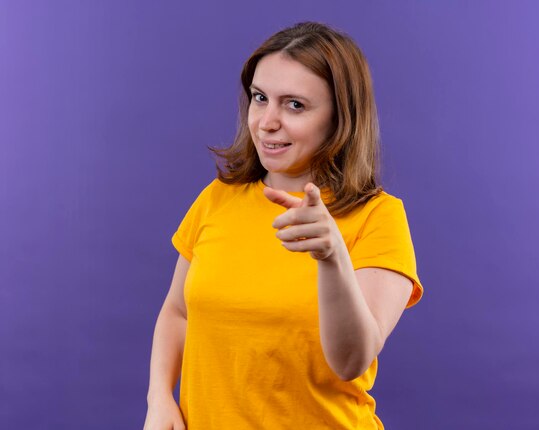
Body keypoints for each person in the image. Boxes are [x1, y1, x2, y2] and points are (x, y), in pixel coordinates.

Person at [144, 21, 423, 429]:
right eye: (260, 98)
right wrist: (159, 399)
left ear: (340, 117)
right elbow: (178, 312)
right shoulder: (218, 199)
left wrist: (331, 258)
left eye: (295, 105)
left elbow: (350, 361)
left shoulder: (377, 217)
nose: (267, 122)